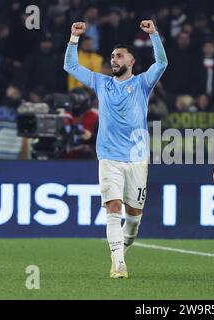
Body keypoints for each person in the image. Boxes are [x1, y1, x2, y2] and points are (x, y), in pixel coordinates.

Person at [64, 20, 168, 278]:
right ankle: (118, 263)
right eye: (112, 56)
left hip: (137, 158)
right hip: (109, 156)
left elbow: (162, 63)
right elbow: (70, 66)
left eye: (119, 56)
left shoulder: (143, 84)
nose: (114, 59)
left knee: (133, 216)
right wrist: (74, 38)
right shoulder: (102, 83)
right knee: (113, 206)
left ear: (131, 61)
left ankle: (122, 248)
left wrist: (154, 34)